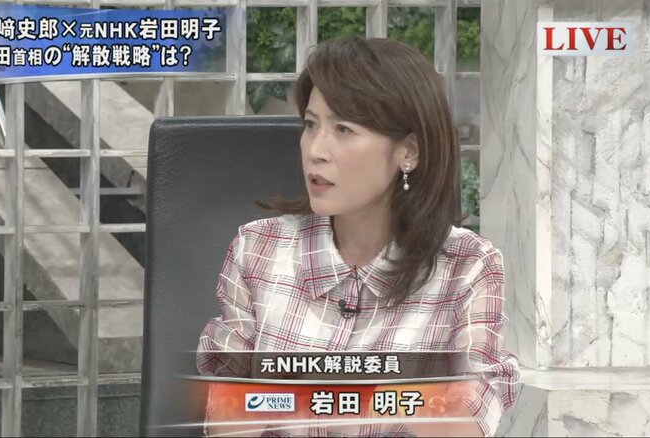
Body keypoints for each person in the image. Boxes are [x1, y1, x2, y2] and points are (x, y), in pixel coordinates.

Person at [196, 37, 520, 437]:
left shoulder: (467, 265)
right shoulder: (259, 248)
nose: (316, 150)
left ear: (409, 152)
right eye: (311, 125)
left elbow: (471, 416)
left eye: (344, 129)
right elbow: (225, 416)